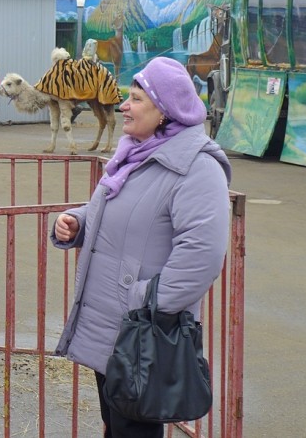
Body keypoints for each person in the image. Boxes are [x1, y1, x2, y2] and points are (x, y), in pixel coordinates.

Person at [51, 57, 232, 438]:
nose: (123, 106)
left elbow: (202, 254)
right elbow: (124, 209)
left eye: (134, 99)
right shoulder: (135, 153)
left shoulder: (197, 167)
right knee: (116, 425)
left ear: (164, 112)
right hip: (115, 330)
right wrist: (80, 221)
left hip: (143, 336)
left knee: (134, 429)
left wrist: (145, 303)